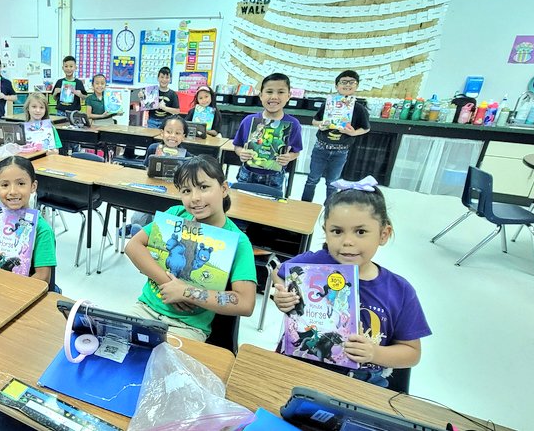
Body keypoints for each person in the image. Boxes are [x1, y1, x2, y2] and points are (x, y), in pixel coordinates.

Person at [271, 177, 430, 388]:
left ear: (384, 234)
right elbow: (279, 273)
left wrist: (375, 352)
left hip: (359, 383)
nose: (347, 241)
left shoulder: (400, 291)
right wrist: (283, 295)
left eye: (361, 232)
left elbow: (411, 353)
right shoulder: (313, 263)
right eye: (337, 231)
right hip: (296, 367)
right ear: (325, 231)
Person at [124, 155, 257, 342]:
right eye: (186, 190)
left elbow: (245, 302)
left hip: (188, 327)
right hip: (145, 309)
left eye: (204, 187)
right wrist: (169, 285)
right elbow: (133, 246)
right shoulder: (175, 214)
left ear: (224, 188)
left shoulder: (238, 241)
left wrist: (186, 292)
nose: (195, 198)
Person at [0, 156, 58, 290]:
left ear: (33, 186)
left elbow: (43, 277)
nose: (13, 192)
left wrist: (12, 292)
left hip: (22, 294)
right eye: (4, 185)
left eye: (21, 184)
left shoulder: (42, 229)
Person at [302, 71, 371, 203]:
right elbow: (314, 121)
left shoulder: (359, 108)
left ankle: (330, 208)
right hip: (321, 148)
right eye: (343, 82)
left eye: (352, 82)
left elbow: (366, 128)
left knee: (333, 182)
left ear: (357, 86)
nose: (347, 85)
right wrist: (320, 124)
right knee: (312, 179)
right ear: (336, 86)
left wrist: (353, 133)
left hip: (341, 151)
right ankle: (305, 206)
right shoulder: (328, 104)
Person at [231, 73, 303, 191]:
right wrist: (241, 153)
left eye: (281, 92)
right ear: (260, 95)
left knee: (272, 207)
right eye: (269, 92)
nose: (274, 97)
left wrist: (288, 157)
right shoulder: (249, 121)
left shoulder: (293, 124)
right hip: (247, 173)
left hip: (275, 177)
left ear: (289, 96)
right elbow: (237, 146)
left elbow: (296, 151)